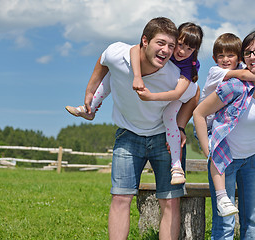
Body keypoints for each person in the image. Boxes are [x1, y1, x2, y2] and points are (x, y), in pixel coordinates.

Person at [81, 17, 199, 239]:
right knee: (120, 197)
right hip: (128, 135)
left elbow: (194, 95)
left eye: (171, 46)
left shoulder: (175, 76)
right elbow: (104, 59)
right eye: (161, 43)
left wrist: (181, 127)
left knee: (170, 201)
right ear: (145, 41)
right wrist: (90, 90)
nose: (166, 50)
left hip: (163, 138)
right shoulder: (120, 54)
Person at [193, 28, 255, 239]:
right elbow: (199, 113)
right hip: (226, 159)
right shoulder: (234, 86)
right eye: (248, 52)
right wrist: (208, 151)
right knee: (225, 224)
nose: (252, 56)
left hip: (254, 159)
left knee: (252, 222)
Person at [130, 22, 203, 185]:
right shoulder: (165, 51)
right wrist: (137, 76)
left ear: (194, 51)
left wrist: (151, 96)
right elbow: (135, 49)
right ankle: (91, 105)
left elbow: (178, 94)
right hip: (174, 93)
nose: (182, 51)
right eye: (180, 45)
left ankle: (176, 166)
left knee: (169, 116)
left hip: (182, 95)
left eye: (189, 49)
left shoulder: (188, 63)